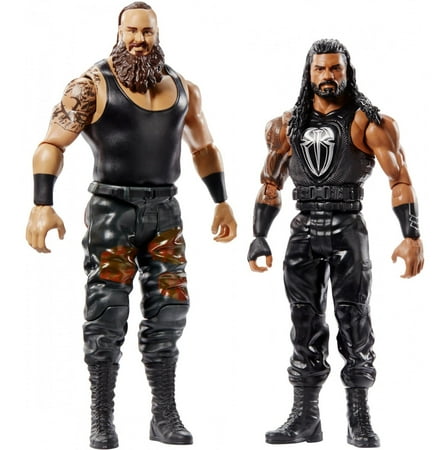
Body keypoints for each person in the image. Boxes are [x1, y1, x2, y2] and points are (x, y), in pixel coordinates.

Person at [26, 2, 237, 448]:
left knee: (171, 310)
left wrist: (221, 201)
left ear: (157, 34)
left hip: (165, 212)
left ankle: (164, 416)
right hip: (112, 210)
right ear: (119, 32)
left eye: (148, 32)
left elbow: (203, 148)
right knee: (106, 313)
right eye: (132, 31)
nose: (140, 40)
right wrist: (42, 204)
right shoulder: (90, 86)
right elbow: (51, 143)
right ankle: (101, 419)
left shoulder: (184, 89)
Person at [247, 39, 423, 448]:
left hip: (348, 227)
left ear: (347, 71)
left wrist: (411, 235)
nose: (328, 75)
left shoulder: (369, 122)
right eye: (320, 68)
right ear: (308, 73)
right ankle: (305, 418)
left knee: (354, 319)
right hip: (303, 228)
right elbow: (270, 183)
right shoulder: (286, 125)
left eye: (335, 68)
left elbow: (399, 178)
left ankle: (358, 419)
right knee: (304, 321)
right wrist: (259, 235)